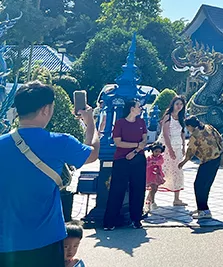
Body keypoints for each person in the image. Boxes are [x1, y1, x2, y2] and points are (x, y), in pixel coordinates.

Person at [0, 82, 99, 266]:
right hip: (45, 240)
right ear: (45, 109)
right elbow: (92, 153)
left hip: (5, 243)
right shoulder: (61, 142)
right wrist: (90, 122)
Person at [104, 98, 148, 230]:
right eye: (138, 106)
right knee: (117, 189)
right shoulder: (120, 123)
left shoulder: (141, 122)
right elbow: (118, 142)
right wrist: (136, 145)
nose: (140, 108)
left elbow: (144, 140)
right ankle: (110, 221)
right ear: (132, 108)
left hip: (138, 158)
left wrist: (135, 151)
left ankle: (136, 219)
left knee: (138, 189)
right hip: (121, 159)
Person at [179, 116, 223, 219]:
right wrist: (220, 152)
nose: (188, 129)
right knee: (206, 185)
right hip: (216, 158)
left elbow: (190, 151)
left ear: (190, 126)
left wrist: (183, 163)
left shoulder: (195, 135)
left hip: (207, 161)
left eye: (187, 127)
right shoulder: (209, 127)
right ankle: (202, 208)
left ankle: (203, 210)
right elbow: (219, 138)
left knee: (198, 185)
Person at [160, 95, 187, 207]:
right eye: (177, 104)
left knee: (177, 171)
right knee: (162, 170)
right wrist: (170, 149)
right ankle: (151, 197)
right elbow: (165, 134)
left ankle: (177, 198)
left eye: (181, 104)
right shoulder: (168, 117)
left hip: (177, 146)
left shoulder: (181, 117)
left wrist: (183, 146)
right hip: (167, 146)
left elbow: (182, 133)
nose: (179, 106)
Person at [144, 142, 166, 213]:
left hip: (157, 175)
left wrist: (155, 162)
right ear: (152, 151)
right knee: (153, 187)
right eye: (156, 151)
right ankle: (152, 202)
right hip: (150, 175)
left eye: (159, 151)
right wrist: (151, 163)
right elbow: (146, 165)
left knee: (155, 189)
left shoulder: (160, 157)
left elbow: (161, 162)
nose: (158, 153)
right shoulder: (149, 158)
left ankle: (148, 201)